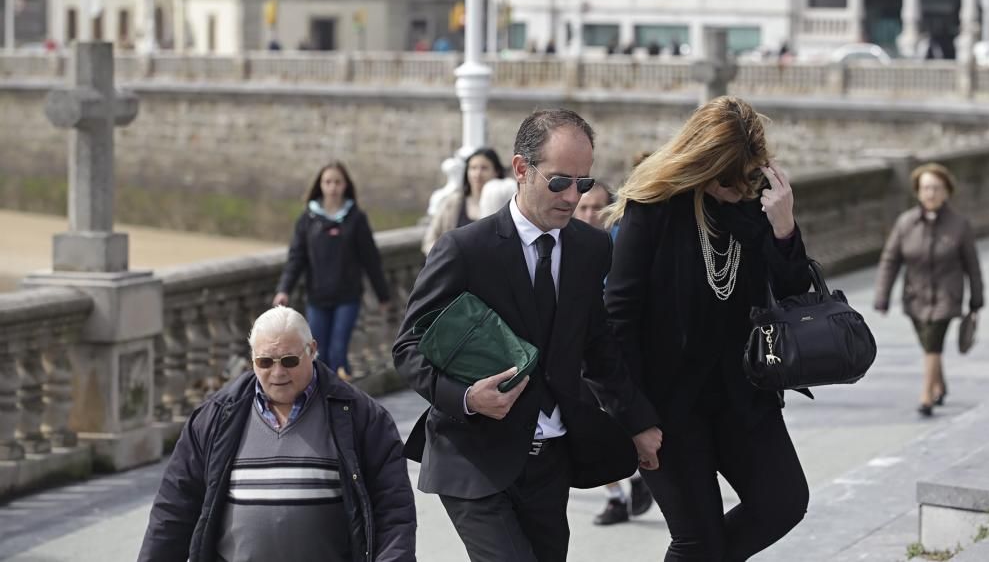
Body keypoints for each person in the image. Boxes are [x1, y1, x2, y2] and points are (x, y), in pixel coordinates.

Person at [394, 109, 663, 562]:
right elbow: (407, 348)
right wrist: (466, 397)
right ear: (521, 169)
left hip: (550, 460)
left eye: (582, 183)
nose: (572, 196)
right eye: (560, 181)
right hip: (472, 456)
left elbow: (598, 347)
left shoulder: (592, 248)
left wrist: (637, 420)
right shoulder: (464, 249)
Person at [604, 96, 812, 560]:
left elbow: (798, 299)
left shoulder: (758, 205)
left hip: (743, 397)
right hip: (667, 408)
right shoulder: (653, 207)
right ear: (701, 165)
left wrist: (784, 229)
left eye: (744, 176)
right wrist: (634, 418)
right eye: (726, 178)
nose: (737, 188)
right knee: (698, 540)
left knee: (783, 503)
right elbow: (617, 317)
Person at [138, 306, 416, 562]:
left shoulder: (363, 417)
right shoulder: (214, 417)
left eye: (289, 360)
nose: (277, 372)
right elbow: (174, 511)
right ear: (252, 359)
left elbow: (393, 512)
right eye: (265, 361)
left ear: (313, 350)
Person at [572, 181, 655, 526]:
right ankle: (617, 495)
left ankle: (635, 476)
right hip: (574, 352)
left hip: (614, 350)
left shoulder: (622, 246)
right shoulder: (561, 245)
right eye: (583, 207)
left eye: (597, 208)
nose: (590, 214)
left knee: (617, 419)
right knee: (585, 428)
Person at [874, 163, 984, 416]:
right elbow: (890, 260)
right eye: (925, 188)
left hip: (947, 297)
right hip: (916, 297)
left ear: (947, 191)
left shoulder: (960, 225)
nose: (930, 194)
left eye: (936, 188)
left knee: (933, 342)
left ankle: (926, 396)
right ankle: (940, 384)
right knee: (928, 346)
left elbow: (973, 266)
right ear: (917, 192)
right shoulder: (906, 223)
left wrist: (976, 301)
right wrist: (883, 297)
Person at [273, 162, 391, 381]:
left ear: (345, 185)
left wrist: (383, 294)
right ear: (320, 185)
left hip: (347, 297)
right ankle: (322, 400)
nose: (333, 187)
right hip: (317, 296)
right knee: (318, 353)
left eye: (337, 182)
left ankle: (341, 398)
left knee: (338, 352)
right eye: (328, 182)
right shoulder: (308, 219)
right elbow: (296, 258)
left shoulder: (356, 219)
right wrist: (283, 289)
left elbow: (371, 259)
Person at [421, 147, 505, 255]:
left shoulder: (503, 205)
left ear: (496, 172)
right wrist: (444, 256)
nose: (477, 174)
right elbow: (430, 240)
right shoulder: (452, 203)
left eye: (484, 168)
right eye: (473, 168)